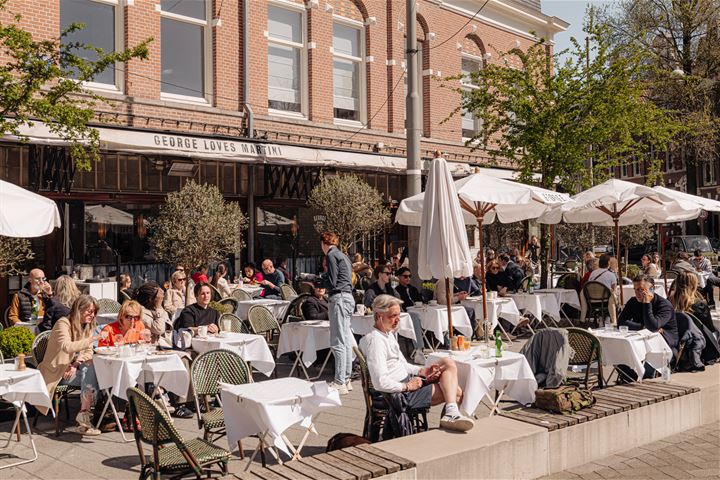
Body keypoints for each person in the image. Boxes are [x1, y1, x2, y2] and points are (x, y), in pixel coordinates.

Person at [359, 295, 474, 432]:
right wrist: (407, 386)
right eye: (393, 316)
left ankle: (451, 414)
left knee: (447, 363)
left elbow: (402, 364)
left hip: (406, 382)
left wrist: (422, 371)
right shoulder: (376, 341)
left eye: (399, 316)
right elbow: (380, 382)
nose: (397, 320)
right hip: (394, 394)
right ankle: (450, 418)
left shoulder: (387, 334)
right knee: (456, 393)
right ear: (379, 316)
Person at [38, 294, 101, 435]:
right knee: (93, 373)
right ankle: (88, 416)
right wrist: (93, 338)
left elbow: (88, 352)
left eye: (94, 312)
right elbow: (67, 346)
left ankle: (85, 415)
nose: (92, 315)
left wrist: (75, 364)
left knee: (90, 367)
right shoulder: (63, 323)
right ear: (79, 309)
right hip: (55, 372)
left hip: (70, 369)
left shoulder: (86, 326)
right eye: (89, 311)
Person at [618, 275, 678, 380]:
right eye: (635, 289)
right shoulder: (633, 301)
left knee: (646, 371)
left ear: (652, 289)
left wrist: (647, 303)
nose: (637, 293)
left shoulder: (664, 305)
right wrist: (643, 327)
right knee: (621, 355)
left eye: (641, 290)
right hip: (640, 341)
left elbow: (653, 326)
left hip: (663, 345)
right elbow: (621, 323)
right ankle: (629, 379)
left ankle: (642, 380)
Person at [321, 232, 355, 394]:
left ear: (323, 243)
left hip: (339, 298)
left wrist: (317, 280)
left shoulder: (331, 255)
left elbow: (332, 281)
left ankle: (339, 381)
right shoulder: (344, 256)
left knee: (338, 341)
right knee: (346, 340)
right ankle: (346, 379)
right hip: (348, 297)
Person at [668, 272, 709, 371]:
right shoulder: (699, 305)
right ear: (694, 285)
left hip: (675, 340)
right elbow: (709, 328)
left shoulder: (668, 302)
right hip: (697, 343)